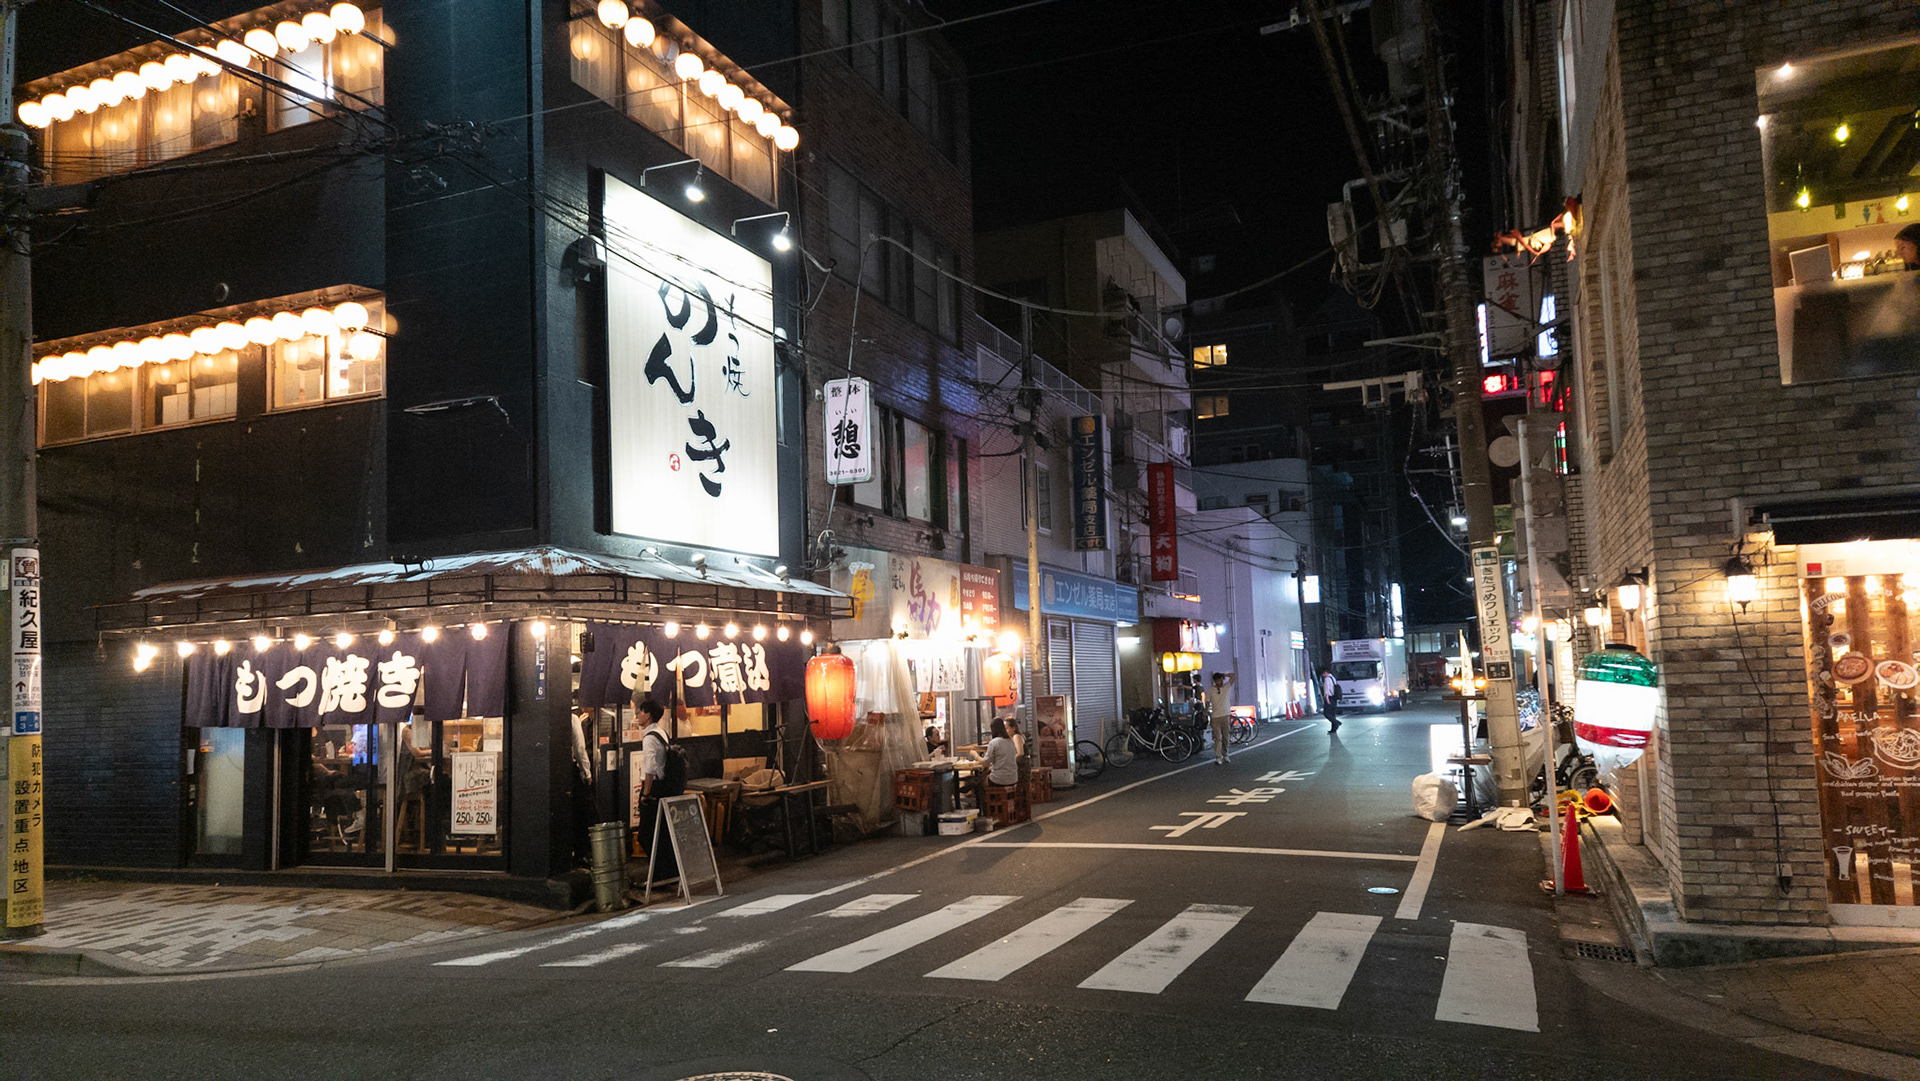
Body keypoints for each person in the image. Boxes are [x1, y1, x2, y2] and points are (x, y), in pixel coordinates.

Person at [632, 694, 677, 879]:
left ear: (648, 715)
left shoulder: (649, 738)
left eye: (641, 711)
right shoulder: (661, 732)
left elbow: (650, 768)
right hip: (664, 787)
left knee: (646, 834)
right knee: (662, 832)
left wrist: (646, 794)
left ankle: (659, 874)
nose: (638, 715)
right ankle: (669, 872)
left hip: (654, 788)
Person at [1205, 671, 1236, 765]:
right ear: (1215, 681)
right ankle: (1218, 757)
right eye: (1218, 680)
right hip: (1215, 716)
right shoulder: (1211, 690)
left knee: (1226, 736)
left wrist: (1224, 675)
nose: (1220, 682)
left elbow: (1233, 675)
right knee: (1218, 738)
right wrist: (1206, 711)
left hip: (1225, 714)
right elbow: (1207, 702)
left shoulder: (1226, 687)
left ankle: (1225, 754)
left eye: (1221, 680)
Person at [982, 717, 1019, 787]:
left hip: (998, 780)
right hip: (1013, 779)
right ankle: (996, 797)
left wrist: (975, 755)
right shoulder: (1011, 741)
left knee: (980, 782)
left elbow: (986, 762)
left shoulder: (994, 742)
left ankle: (989, 797)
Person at [1321, 668, 1342, 733]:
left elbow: (1327, 689)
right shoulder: (1333, 678)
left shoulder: (1327, 679)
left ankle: (1336, 722)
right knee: (1333, 713)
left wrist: (1327, 699)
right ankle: (1334, 729)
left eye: (1323, 673)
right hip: (1334, 697)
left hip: (1330, 697)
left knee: (1326, 713)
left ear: (1325, 672)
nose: (1323, 675)